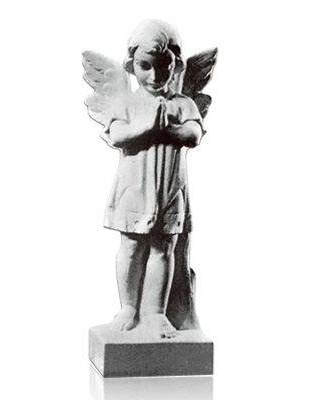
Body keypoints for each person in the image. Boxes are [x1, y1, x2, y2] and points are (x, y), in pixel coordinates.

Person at [101, 20, 204, 339]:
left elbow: (194, 133)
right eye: (145, 66)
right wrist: (146, 128)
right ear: (131, 66)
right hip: (134, 189)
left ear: (176, 65)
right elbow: (116, 134)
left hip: (170, 190)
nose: (155, 75)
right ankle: (129, 307)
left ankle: (155, 312)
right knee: (131, 246)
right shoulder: (128, 103)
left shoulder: (182, 104)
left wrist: (171, 130)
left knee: (164, 247)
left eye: (163, 66)